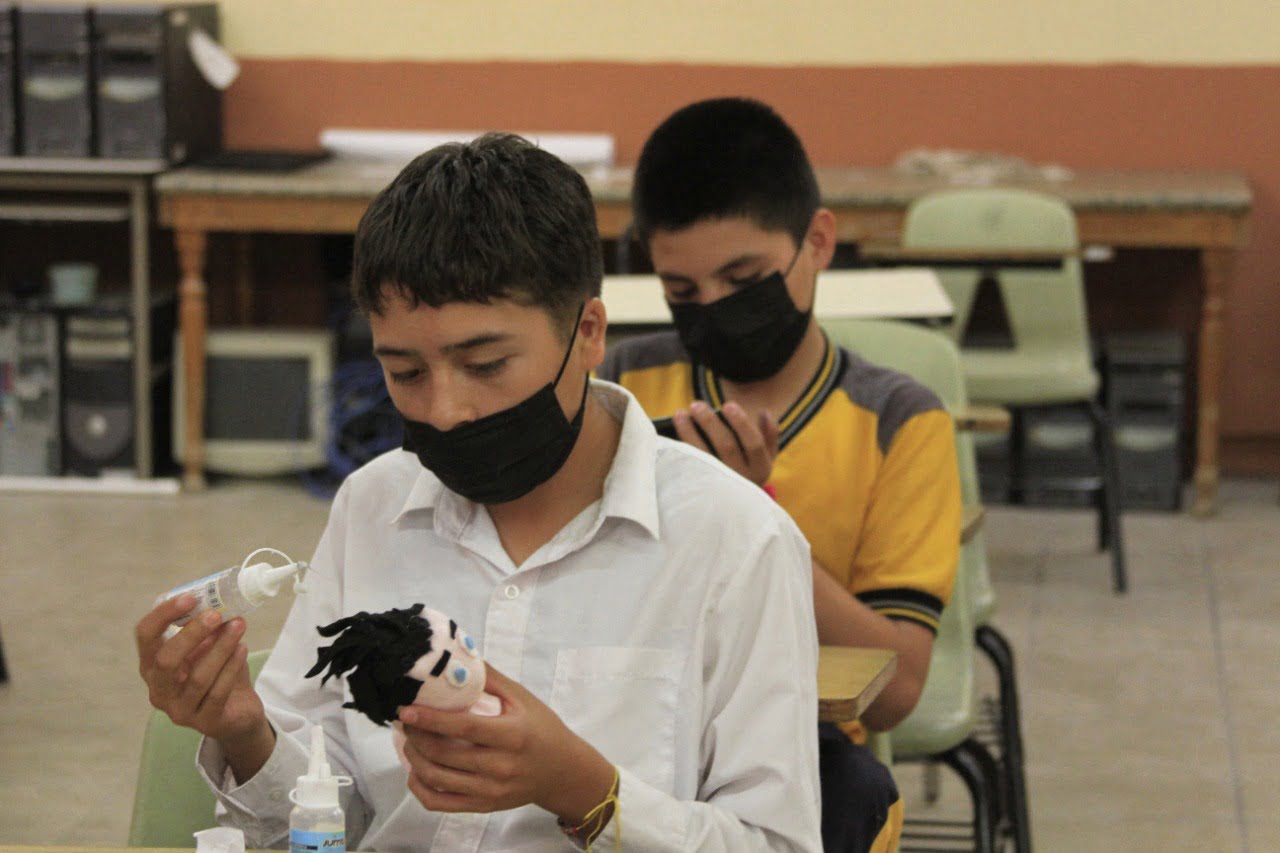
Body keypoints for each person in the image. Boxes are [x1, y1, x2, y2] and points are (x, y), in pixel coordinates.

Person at [135, 133, 823, 852]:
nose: (445, 410)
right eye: (406, 373)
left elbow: (775, 842)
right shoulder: (374, 506)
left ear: (588, 333)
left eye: (486, 364)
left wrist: (583, 788)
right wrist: (247, 732)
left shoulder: (735, 540)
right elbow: (320, 818)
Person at [597, 98, 962, 853]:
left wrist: (752, 517)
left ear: (817, 242)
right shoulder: (624, 387)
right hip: (627, 729)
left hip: (801, 752)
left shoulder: (899, 422)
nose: (715, 308)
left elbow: (895, 690)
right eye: (682, 292)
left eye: (745, 278)